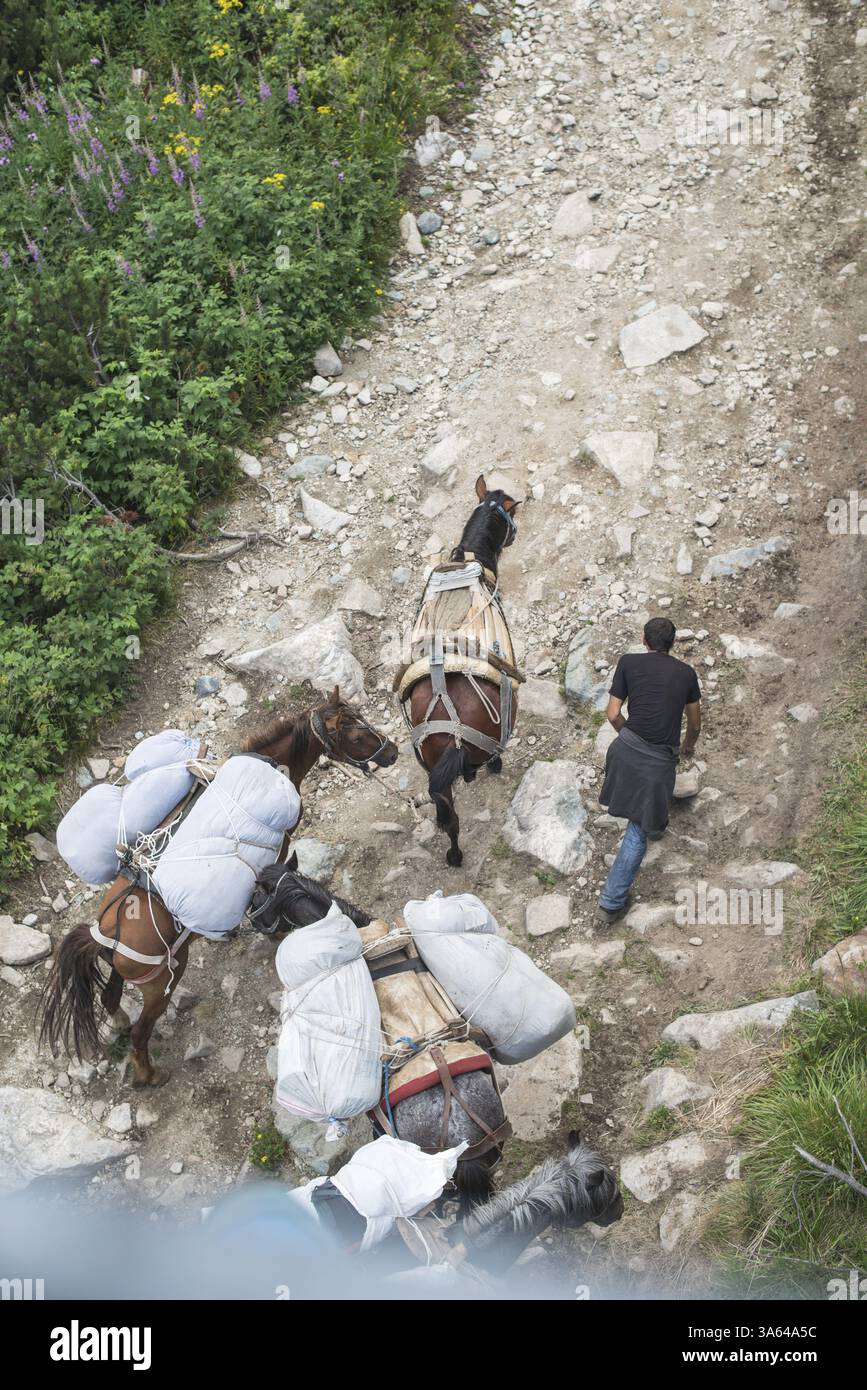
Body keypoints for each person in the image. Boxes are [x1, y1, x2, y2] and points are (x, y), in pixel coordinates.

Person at [595, 617, 701, 926]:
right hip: (657, 762)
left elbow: (613, 715)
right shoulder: (687, 674)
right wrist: (687, 748)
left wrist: (630, 738)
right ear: (673, 643)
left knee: (644, 811)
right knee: (638, 830)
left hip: (623, 749)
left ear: (644, 640)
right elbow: (694, 724)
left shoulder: (628, 662)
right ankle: (610, 904)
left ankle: (655, 821)